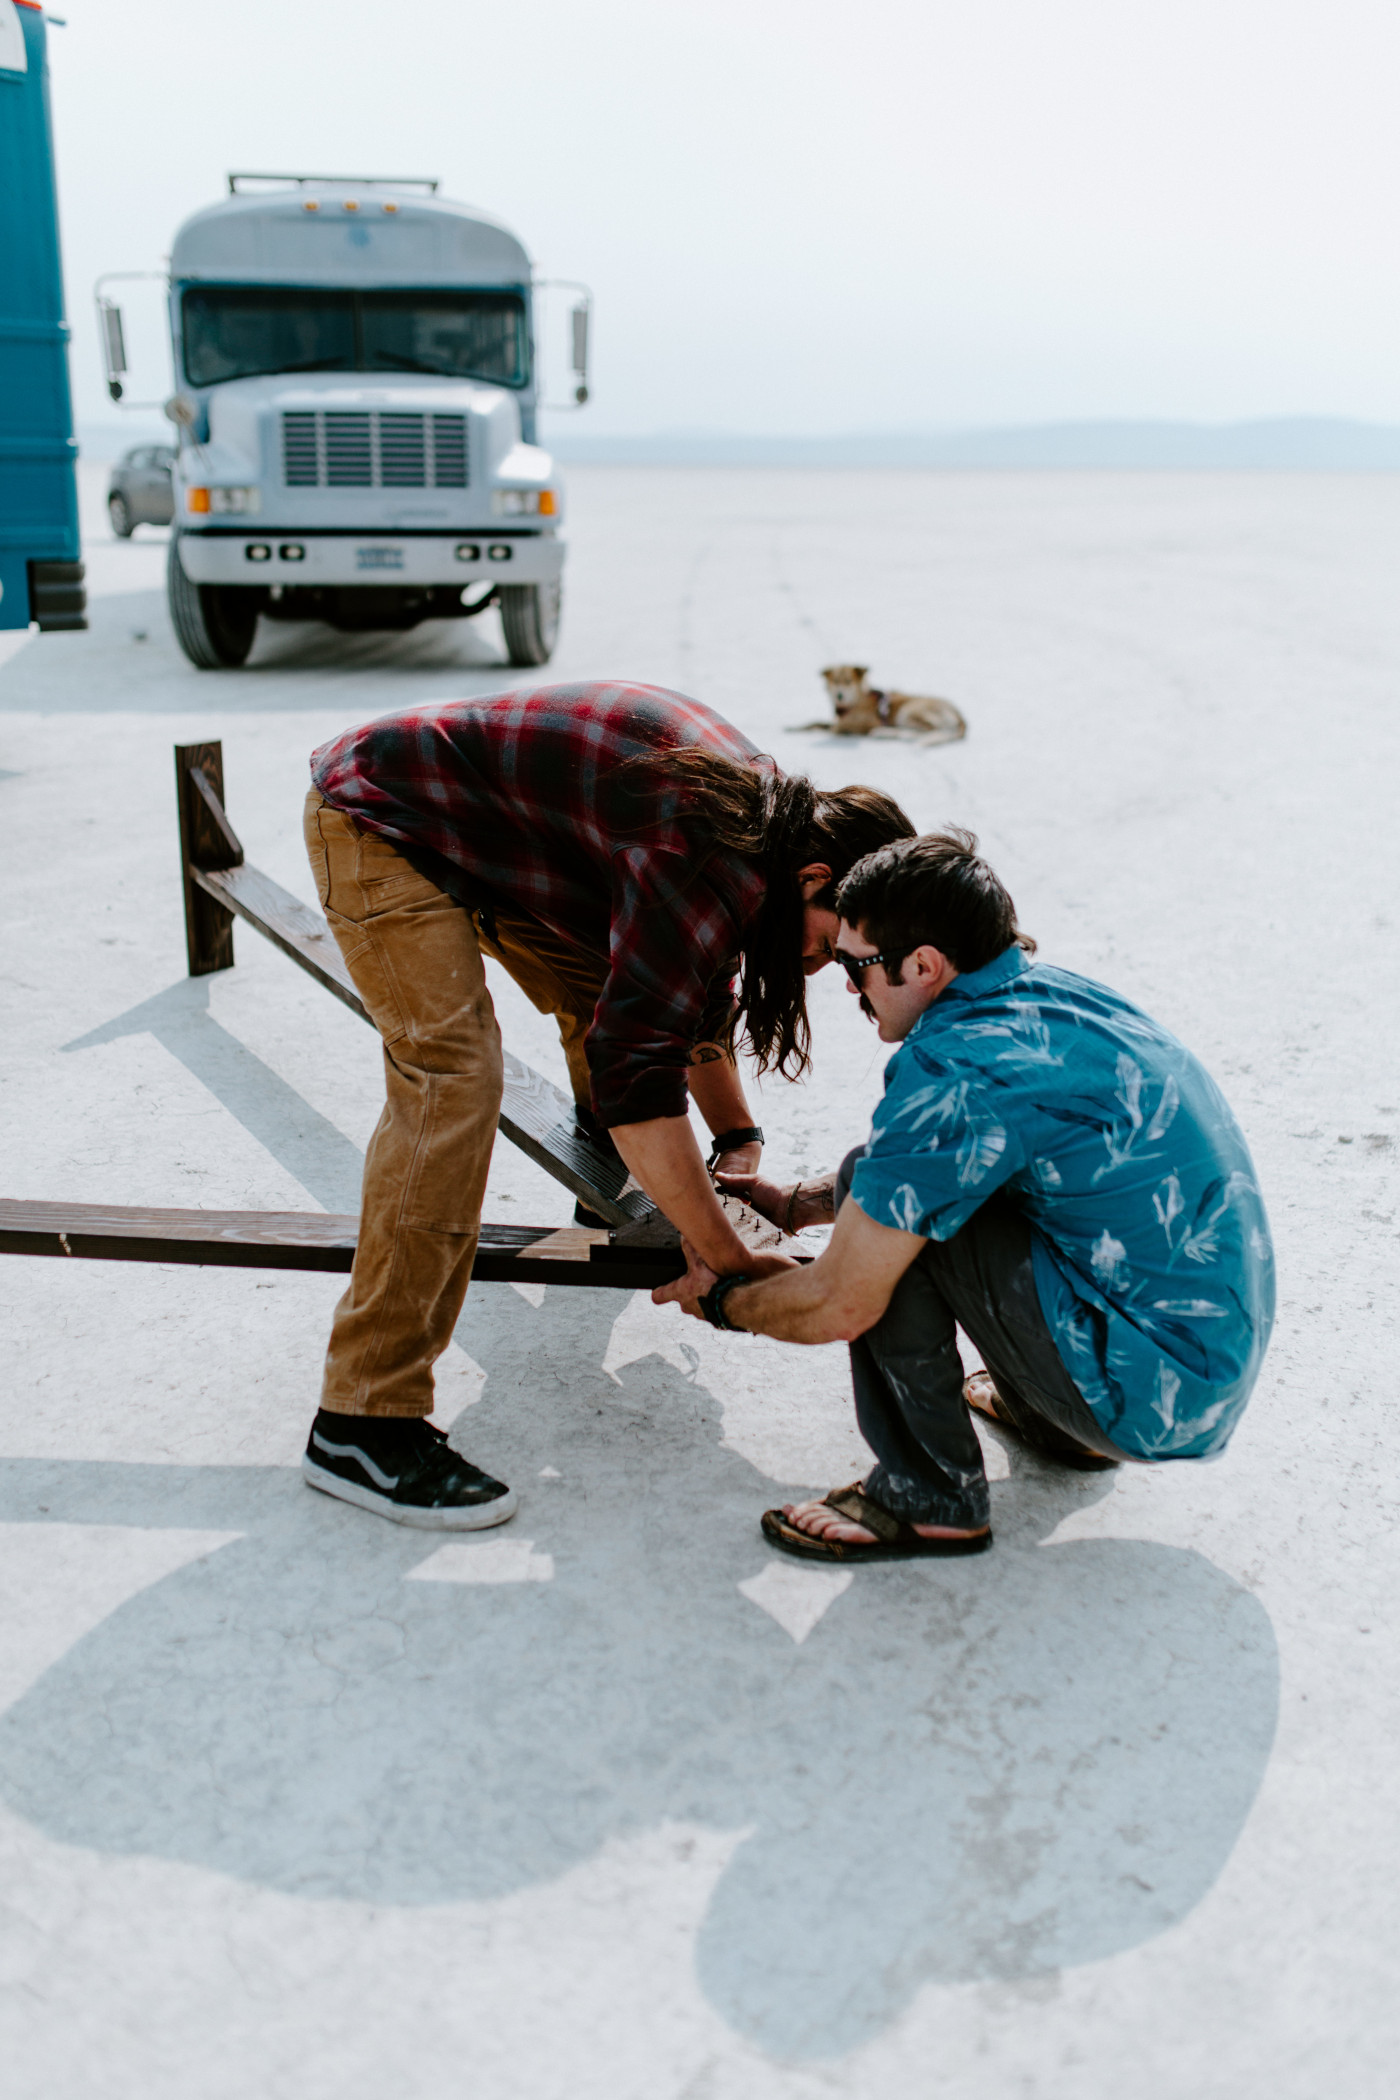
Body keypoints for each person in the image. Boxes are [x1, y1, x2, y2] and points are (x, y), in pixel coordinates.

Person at [299, 680, 915, 1526]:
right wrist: (730, 1262)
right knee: (452, 1081)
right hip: (388, 814)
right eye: (837, 949)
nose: (833, 970)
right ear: (815, 877)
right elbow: (640, 1076)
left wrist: (735, 1137)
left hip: (497, 834)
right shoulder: (708, 856)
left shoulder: (768, 832)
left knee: (613, 1010)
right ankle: (360, 1419)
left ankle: (615, 1188)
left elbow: (686, 994)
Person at [656, 830, 1275, 1561]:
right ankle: (1055, 1423)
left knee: (890, 1217)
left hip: (1147, 1402)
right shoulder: (1049, 997)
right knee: (888, 1181)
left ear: (923, 964)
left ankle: (930, 1497)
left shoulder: (955, 1070)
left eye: (855, 968)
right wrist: (793, 1205)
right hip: (1192, 1366)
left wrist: (726, 1301)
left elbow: (841, 1302)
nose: (848, 990)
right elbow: (917, 1166)